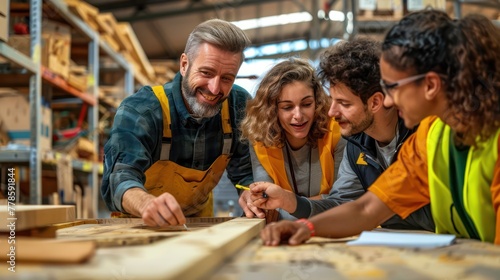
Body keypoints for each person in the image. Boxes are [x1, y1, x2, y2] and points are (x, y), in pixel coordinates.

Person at [258, 9, 500, 245]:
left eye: (393, 87)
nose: (388, 100)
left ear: (431, 85)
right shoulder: (431, 136)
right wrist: (307, 227)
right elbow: (367, 208)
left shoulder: (489, 140)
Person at [249, 38, 434, 230]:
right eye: (333, 100)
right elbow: (346, 205)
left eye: (344, 104)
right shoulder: (355, 145)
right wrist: (292, 204)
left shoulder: (424, 134)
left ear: (376, 102)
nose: (331, 112)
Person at [101, 19, 254, 227]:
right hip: (139, 224)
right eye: (206, 73)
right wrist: (146, 204)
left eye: (227, 78)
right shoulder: (143, 109)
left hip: (198, 222)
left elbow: (245, 172)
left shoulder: (237, 105)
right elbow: (118, 177)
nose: (215, 88)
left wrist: (249, 194)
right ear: (184, 64)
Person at [238, 57, 346, 221]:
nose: (298, 116)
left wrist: (285, 203)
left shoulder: (337, 131)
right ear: (272, 110)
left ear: (317, 102)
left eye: (307, 104)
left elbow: (344, 203)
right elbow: (267, 206)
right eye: (287, 107)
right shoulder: (260, 140)